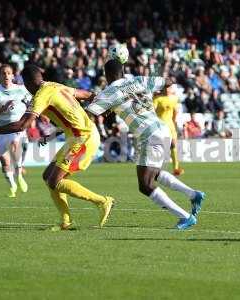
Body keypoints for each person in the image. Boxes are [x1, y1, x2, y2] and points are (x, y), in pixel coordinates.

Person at [0, 64, 114, 230]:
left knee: (54, 181)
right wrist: (104, 104)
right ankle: (66, 222)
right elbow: (86, 95)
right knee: (48, 177)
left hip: (83, 139)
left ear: (28, 83)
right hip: (76, 137)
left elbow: (21, 125)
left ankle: (103, 201)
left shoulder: (40, 96)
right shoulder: (55, 85)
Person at [86, 59, 205, 230]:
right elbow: (169, 82)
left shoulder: (109, 92)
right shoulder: (139, 80)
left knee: (145, 184)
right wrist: (154, 93)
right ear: (123, 70)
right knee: (154, 173)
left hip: (147, 135)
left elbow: (89, 113)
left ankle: (185, 217)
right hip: (162, 130)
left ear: (107, 75)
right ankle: (194, 195)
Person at [0, 64, 31, 197]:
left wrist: (41, 115)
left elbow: (32, 103)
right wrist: (3, 108)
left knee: (15, 144)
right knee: (5, 162)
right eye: (3, 73)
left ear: (13, 75)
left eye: (8, 73)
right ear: (0, 75)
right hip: (1, 129)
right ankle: (12, 186)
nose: (6, 76)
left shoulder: (21, 89)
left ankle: (19, 172)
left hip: (17, 127)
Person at [153, 80, 184, 176]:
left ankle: (176, 168)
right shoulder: (157, 99)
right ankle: (155, 168)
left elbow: (175, 112)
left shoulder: (174, 98)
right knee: (160, 147)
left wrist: (174, 122)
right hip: (160, 126)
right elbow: (152, 112)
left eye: (169, 87)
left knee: (173, 144)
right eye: (165, 87)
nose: (167, 89)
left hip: (170, 125)